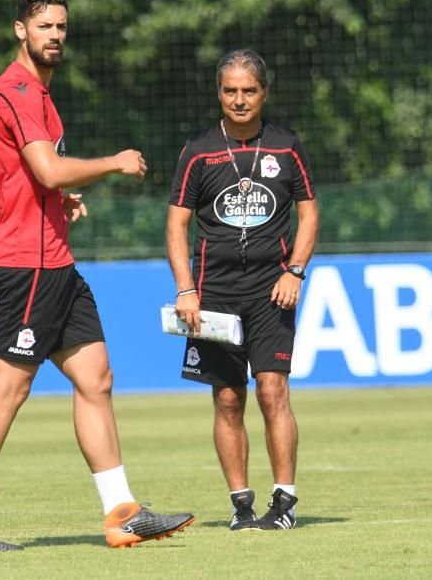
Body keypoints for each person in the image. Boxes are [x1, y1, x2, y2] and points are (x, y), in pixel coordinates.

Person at [0, 0, 193, 552]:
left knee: (95, 379)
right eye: (44, 25)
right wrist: (112, 164)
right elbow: (48, 171)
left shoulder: (29, 93)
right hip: (28, 264)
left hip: (56, 262)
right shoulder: (20, 89)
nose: (55, 35)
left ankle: (121, 511)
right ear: (20, 30)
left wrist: (40, 196)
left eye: (61, 27)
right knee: (7, 391)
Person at [165, 49, 320, 531]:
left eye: (248, 90)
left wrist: (294, 271)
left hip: (271, 292)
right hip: (212, 295)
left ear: (264, 93)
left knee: (273, 390)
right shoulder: (198, 151)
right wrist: (186, 289)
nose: (239, 99)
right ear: (219, 93)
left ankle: (285, 501)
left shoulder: (287, 146)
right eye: (230, 90)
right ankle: (242, 506)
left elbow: (309, 212)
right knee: (228, 398)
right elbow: (176, 224)